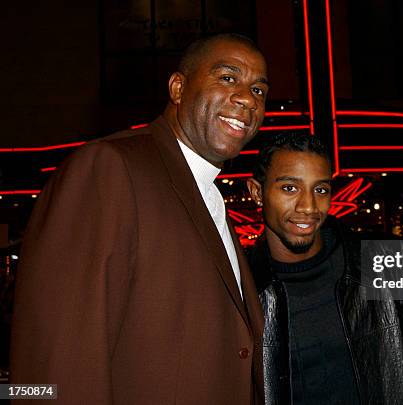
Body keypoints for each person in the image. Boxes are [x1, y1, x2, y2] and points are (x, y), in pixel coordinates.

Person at [11, 33, 269, 404]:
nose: (248, 99)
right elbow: (58, 356)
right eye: (227, 78)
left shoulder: (207, 192)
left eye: (259, 90)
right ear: (178, 88)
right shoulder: (109, 167)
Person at [246, 133, 403, 404]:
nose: (308, 207)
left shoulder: (383, 259)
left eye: (320, 190)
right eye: (289, 188)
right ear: (257, 192)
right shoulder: (239, 288)